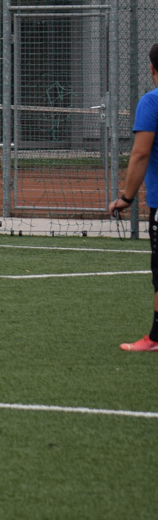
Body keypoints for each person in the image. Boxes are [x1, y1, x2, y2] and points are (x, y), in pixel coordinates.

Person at [110, 43, 158, 351]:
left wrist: (126, 198)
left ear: (152, 69)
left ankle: (156, 338)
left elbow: (140, 154)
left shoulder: (151, 102)